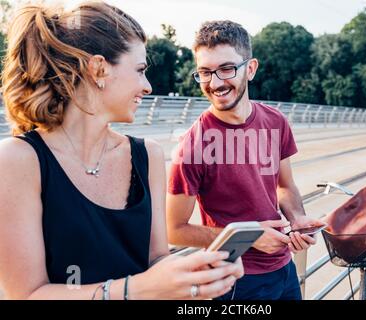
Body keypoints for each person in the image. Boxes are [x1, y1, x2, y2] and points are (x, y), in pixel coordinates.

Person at [0, 2, 243, 300]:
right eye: (140, 70)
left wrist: (193, 275)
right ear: (98, 68)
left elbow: (156, 261)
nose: (148, 86)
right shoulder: (18, 160)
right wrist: (134, 289)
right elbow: (26, 295)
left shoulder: (148, 156)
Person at [166, 20, 323, 300]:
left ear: (250, 69)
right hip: (234, 280)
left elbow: (284, 186)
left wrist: (297, 218)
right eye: (205, 73)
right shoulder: (193, 145)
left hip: (284, 270)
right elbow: (174, 230)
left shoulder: (275, 121)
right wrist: (247, 236)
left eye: (226, 69)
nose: (214, 83)